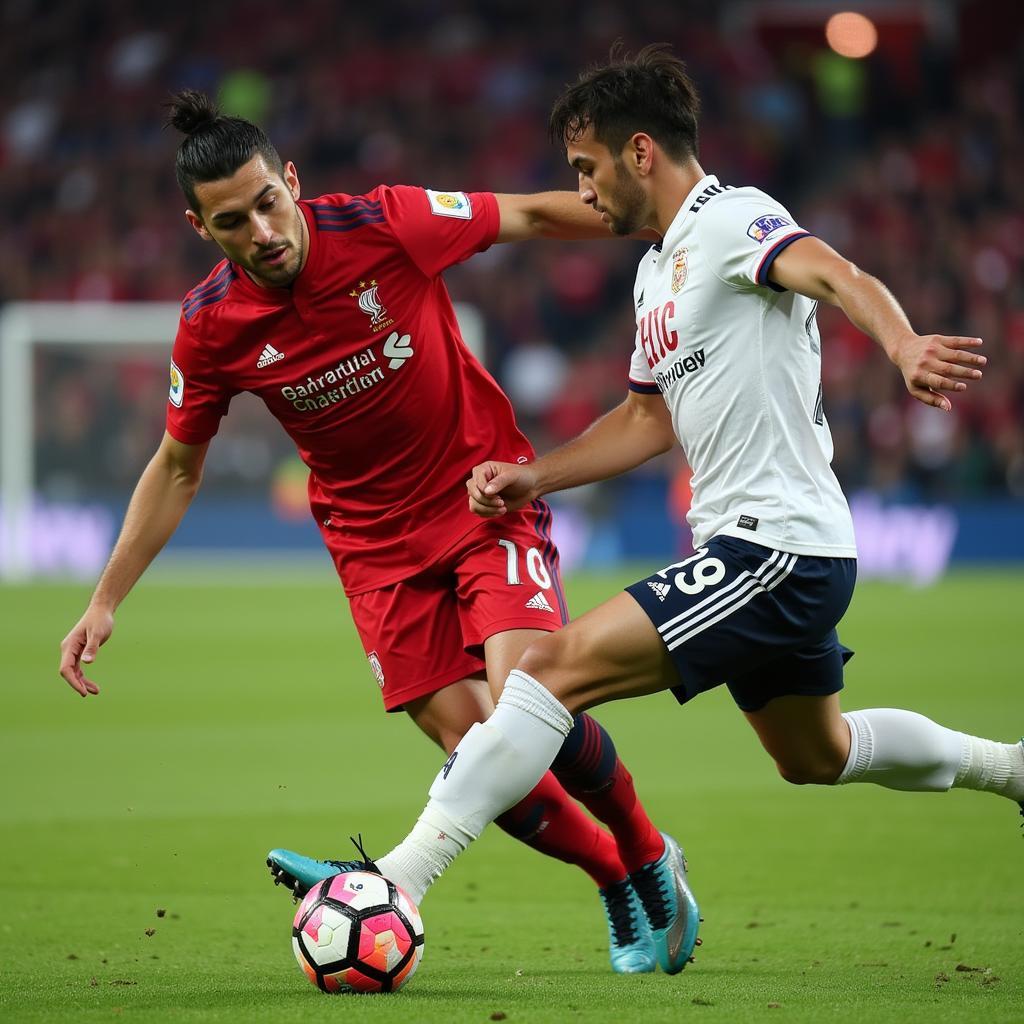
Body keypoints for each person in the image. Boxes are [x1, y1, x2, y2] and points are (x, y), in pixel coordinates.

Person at [336, 44, 1023, 951]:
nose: (584, 194)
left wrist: (900, 348)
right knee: (814, 755)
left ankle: (400, 879)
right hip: (768, 551)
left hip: (771, 548)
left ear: (641, 153)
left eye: (588, 169)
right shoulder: (654, 270)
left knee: (546, 670)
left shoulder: (735, 219)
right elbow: (644, 420)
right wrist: (534, 475)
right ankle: (1011, 770)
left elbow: (838, 275)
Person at [55, 89, 697, 975]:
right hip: (374, 551)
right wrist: (104, 600)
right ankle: (611, 876)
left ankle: (648, 851)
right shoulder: (210, 329)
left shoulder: (387, 222)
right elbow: (175, 467)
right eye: (233, 222)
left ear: (291, 180)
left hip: (482, 500)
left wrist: (664, 220)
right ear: (202, 229)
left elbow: (532, 215)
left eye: (269, 204)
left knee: (529, 702)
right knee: (478, 751)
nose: (263, 233)